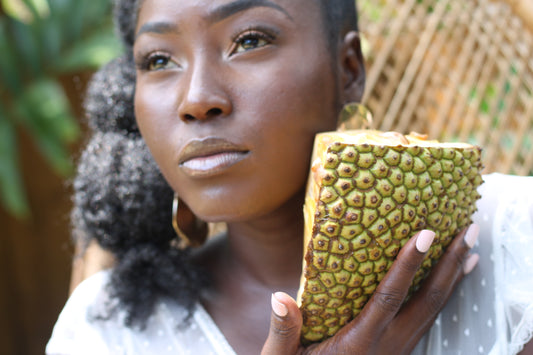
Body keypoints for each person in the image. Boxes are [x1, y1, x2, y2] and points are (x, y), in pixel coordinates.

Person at [46, 0, 533, 354]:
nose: (196, 99)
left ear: (348, 70)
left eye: (249, 41)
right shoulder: (108, 331)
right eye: (159, 61)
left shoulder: (512, 243)